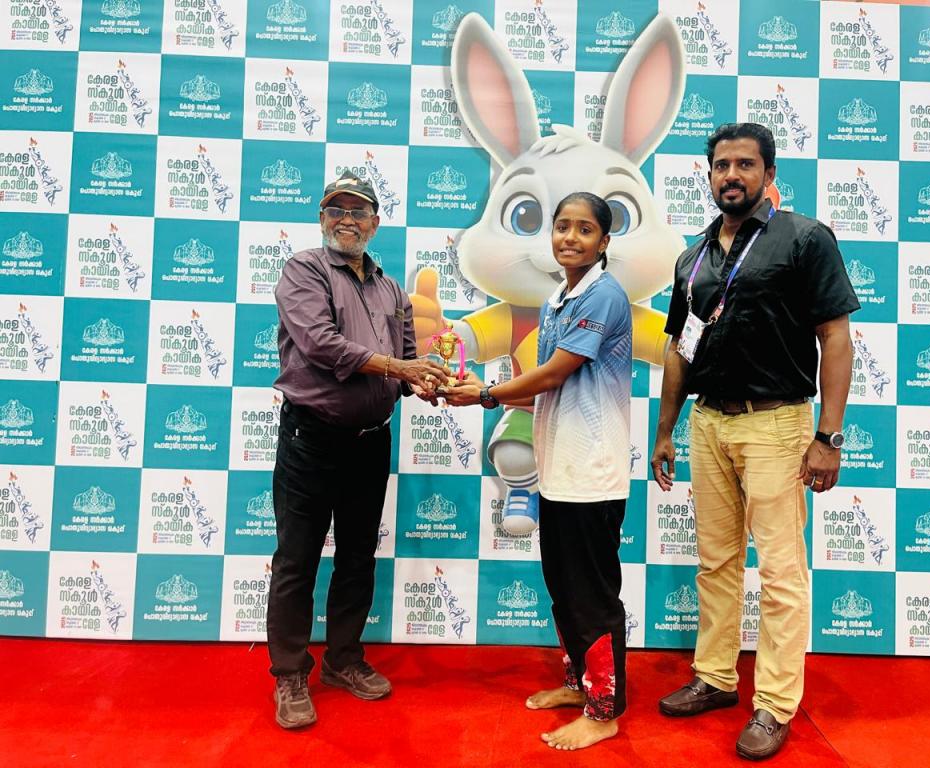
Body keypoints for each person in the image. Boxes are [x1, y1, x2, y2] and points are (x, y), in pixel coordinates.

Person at [650, 123, 859, 761]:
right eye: (721, 165)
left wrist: (829, 437)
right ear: (709, 175)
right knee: (715, 561)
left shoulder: (805, 239)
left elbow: (836, 338)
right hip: (709, 422)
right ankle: (716, 677)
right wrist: (666, 429)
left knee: (780, 570)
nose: (731, 175)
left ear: (768, 174)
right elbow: (679, 348)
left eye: (745, 164)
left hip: (776, 424)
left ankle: (774, 703)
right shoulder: (693, 258)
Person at [444, 192, 632, 751]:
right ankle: (579, 683)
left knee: (592, 595)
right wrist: (481, 391)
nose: (570, 237)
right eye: (562, 226)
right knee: (563, 588)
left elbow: (553, 374)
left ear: (604, 241)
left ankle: (604, 710)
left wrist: (485, 393)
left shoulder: (604, 294)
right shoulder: (557, 300)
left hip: (592, 470)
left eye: (585, 229)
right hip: (559, 469)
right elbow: (548, 391)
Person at [267, 174, 449, 730]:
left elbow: (408, 355)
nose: (346, 219)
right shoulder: (305, 269)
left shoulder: (392, 290)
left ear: (375, 222)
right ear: (322, 218)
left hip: (371, 441)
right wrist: (400, 368)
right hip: (311, 438)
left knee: (357, 556)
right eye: (336, 210)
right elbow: (320, 343)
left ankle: (342, 659)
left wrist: (428, 382)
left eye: (358, 211)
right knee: (297, 559)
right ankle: (290, 674)